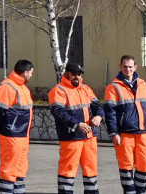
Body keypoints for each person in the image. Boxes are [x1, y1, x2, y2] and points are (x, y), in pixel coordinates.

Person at [104, 55, 146, 194]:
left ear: (135, 67)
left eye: (130, 66)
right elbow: (110, 112)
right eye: (125, 66)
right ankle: (130, 192)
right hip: (124, 134)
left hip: (144, 133)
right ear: (120, 67)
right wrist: (114, 133)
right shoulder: (113, 87)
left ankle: (140, 190)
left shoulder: (144, 85)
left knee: (145, 166)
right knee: (126, 166)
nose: (128, 69)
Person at [49, 61, 104, 194]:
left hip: (89, 136)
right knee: (68, 170)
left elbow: (98, 107)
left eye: (79, 74)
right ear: (66, 74)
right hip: (71, 137)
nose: (77, 77)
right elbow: (58, 112)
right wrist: (77, 124)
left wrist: (99, 117)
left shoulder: (85, 88)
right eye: (74, 74)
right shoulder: (58, 90)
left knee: (91, 170)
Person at [0, 59, 35, 194]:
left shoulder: (23, 88)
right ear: (25, 72)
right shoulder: (7, 87)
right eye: (31, 73)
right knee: (9, 168)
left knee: (20, 168)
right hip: (11, 134)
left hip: (22, 134)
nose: (32, 75)